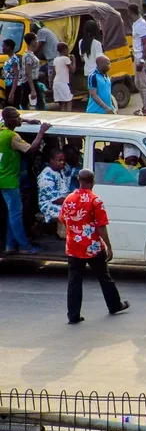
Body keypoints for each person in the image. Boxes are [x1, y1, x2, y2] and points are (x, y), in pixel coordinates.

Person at [60, 168, 129, 323]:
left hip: (73, 246)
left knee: (74, 282)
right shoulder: (95, 200)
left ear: (79, 180)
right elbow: (101, 226)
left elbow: (63, 219)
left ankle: (73, 315)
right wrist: (109, 246)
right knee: (104, 277)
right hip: (93, 247)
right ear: (93, 182)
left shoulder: (69, 199)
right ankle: (114, 305)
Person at [1, 107, 48, 254]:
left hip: (3, 179)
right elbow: (31, 149)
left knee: (11, 213)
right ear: (8, 120)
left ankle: (10, 245)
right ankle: (24, 246)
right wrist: (41, 132)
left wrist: (27, 121)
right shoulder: (12, 137)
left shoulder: (2, 130)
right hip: (10, 181)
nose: (19, 118)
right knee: (16, 215)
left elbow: (8, 118)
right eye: (16, 117)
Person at [37, 148, 74, 226]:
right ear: (51, 160)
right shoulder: (46, 177)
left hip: (63, 200)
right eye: (59, 160)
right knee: (74, 212)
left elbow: (74, 172)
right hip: (49, 204)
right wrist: (74, 202)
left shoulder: (62, 169)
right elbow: (56, 199)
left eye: (64, 160)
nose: (62, 162)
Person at [129, 4, 146, 115]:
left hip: (144, 56)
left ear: (131, 12)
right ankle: (145, 105)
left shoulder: (141, 24)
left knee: (145, 84)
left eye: (128, 12)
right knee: (138, 84)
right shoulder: (135, 24)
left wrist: (142, 60)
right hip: (138, 55)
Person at [16, 33, 42, 110]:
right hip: (29, 82)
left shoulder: (30, 54)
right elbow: (28, 72)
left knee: (24, 102)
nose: (37, 42)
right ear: (32, 41)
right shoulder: (28, 56)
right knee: (39, 103)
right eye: (36, 40)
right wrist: (33, 89)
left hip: (30, 81)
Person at [52, 42, 74, 112]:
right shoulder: (66, 59)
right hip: (62, 83)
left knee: (62, 103)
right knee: (69, 100)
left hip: (56, 82)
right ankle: (68, 116)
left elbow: (53, 72)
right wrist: (74, 61)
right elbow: (72, 70)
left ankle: (63, 116)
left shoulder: (55, 59)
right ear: (65, 49)